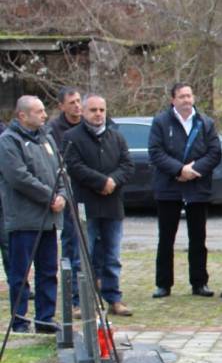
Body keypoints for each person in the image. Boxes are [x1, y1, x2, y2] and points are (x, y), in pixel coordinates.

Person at [62, 93, 135, 317]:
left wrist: (113, 181)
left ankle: (114, 298)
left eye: (102, 110)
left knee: (112, 256)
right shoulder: (71, 137)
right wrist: (101, 182)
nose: (98, 114)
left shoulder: (116, 137)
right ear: (83, 112)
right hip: (86, 205)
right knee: (83, 256)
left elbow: (127, 165)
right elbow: (75, 166)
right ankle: (80, 301)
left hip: (112, 204)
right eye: (93, 110)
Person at [148, 82, 222, 298]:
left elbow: (214, 153)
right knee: (166, 238)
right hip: (169, 188)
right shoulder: (161, 122)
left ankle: (199, 283)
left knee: (198, 238)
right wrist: (179, 170)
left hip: (197, 188)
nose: (186, 100)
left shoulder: (205, 122)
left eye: (189, 96)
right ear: (173, 100)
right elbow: (156, 152)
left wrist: (194, 170)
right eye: (182, 96)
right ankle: (163, 284)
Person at [0, 96, 65, 334]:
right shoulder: (8, 141)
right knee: (20, 273)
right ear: (22, 115)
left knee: (48, 271)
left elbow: (61, 171)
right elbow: (18, 177)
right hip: (24, 220)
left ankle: (45, 318)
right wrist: (50, 196)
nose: (45, 115)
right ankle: (19, 320)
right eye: (39, 111)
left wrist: (62, 195)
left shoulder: (46, 138)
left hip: (48, 220)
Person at [48, 86, 83, 311]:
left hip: (90, 192)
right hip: (68, 193)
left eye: (79, 101)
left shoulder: (89, 124)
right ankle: (74, 297)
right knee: (72, 247)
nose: (77, 106)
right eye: (72, 102)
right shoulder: (52, 131)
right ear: (62, 106)